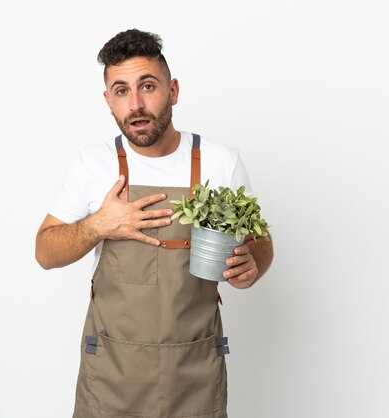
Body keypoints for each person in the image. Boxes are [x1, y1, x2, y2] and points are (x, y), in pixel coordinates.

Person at [35, 28, 273, 418]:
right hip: (111, 374)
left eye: (148, 86)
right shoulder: (93, 164)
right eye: (121, 91)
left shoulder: (220, 161)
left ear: (173, 90)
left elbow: (260, 240)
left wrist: (254, 263)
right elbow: (44, 251)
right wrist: (98, 225)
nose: (136, 104)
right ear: (108, 100)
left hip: (194, 372)